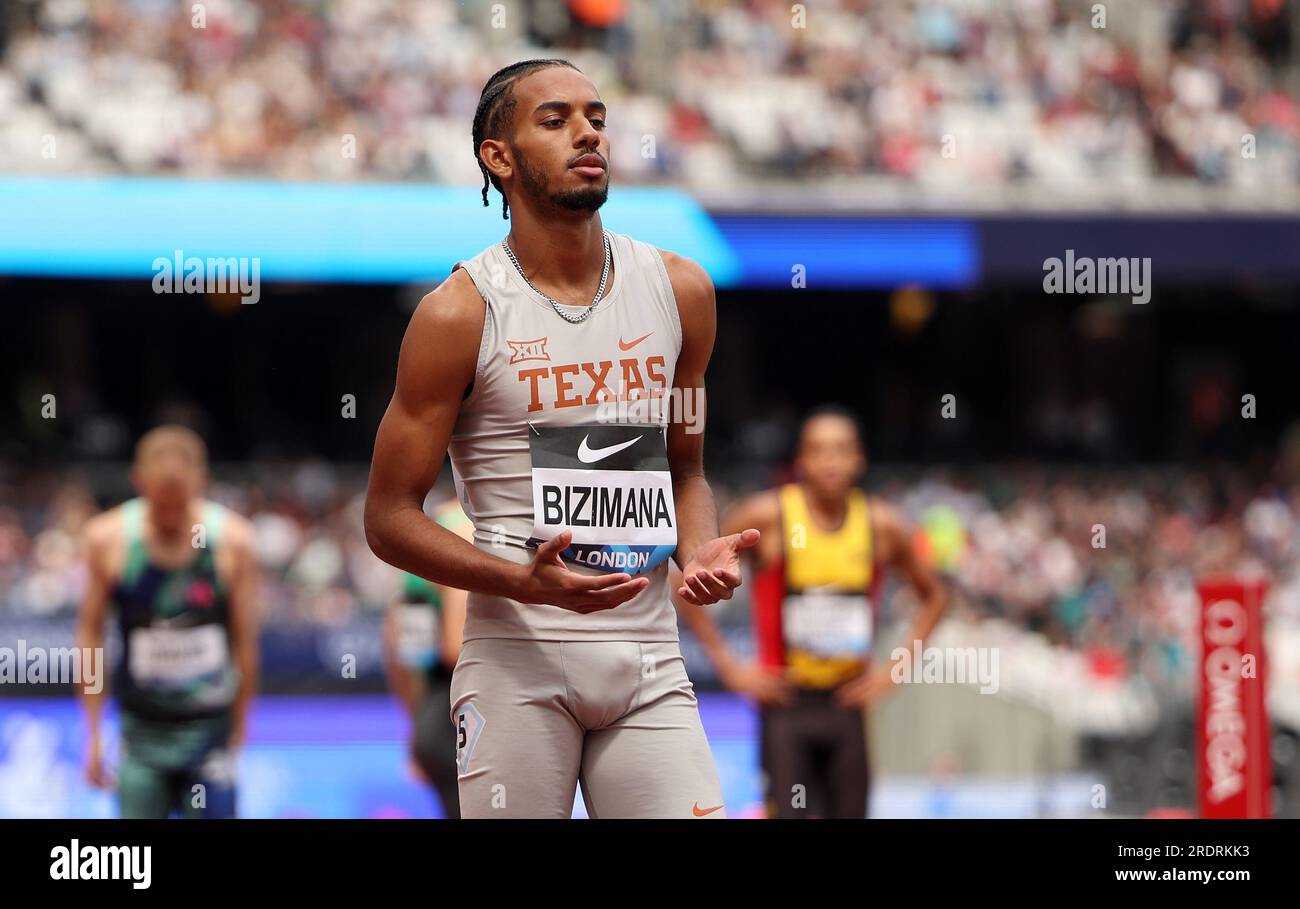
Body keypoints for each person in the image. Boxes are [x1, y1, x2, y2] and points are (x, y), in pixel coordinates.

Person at [364, 58, 756, 818]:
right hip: (517, 664)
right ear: (498, 157)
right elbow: (387, 517)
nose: (588, 133)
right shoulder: (458, 314)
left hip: (648, 660)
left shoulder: (681, 292)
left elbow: (687, 471)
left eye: (597, 117)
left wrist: (697, 548)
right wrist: (518, 578)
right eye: (556, 119)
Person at [675, 406, 948, 818]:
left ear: (859, 459)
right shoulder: (767, 517)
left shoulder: (881, 525)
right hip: (785, 705)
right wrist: (730, 666)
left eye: (841, 449)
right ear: (801, 461)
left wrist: (894, 670)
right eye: (818, 450)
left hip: (849, 706)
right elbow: (688, 582)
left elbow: (935, 597)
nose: (831, 461)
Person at [79, 425, 258, 818]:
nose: (171, 517)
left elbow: (244, 641)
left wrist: (240, 727)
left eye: (181, 505)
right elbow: (91, 637)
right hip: (141, 732)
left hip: (210, 731)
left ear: (201, 482)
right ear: (139, 482)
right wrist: (92, 733)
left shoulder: (233, 541)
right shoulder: (107, 539)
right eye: (161, 505)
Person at [381, 500, 473, 818]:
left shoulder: (425, 527)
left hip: (431, 720)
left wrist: (416, 727)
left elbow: (396, 648)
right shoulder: (469, 529)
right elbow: (454, 646)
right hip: (462, 725)